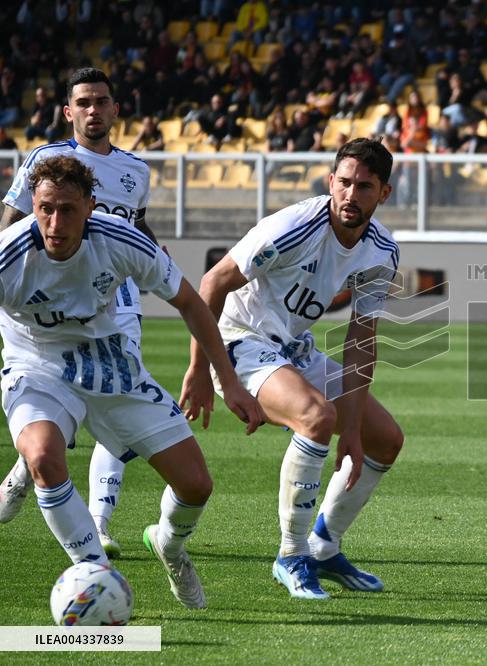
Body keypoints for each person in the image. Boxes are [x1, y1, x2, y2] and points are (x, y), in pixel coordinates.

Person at [0, 155, 263, 610]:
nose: (54, 221)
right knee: (43, 454)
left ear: (91, 206)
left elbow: (191, 302)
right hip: (37, 363)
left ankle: (171, 546)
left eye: (67, 208)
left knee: (196, 485)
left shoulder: (121, 239)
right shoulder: (9, 255)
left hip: (112, 368)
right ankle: (96, 577)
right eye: (44, 208)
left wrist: (224, 378)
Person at [181, 138, 404, 600]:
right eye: (343, 183)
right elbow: (213, 282)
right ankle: (291, 554)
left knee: (386, 438)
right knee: (317, 417)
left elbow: (362, 339)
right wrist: (203, 371)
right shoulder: (294, 226)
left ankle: (324, 545)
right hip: (237, 338)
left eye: (364, 187)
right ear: (330, 182)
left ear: (382, 194)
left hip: (291, 346)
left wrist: (356, 428)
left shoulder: (381, 251)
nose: (350, 195)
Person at [0, 68, 162, 560]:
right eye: (84, 102)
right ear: (68, 111)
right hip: (49, 297)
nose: (94, 110)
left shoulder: (137, 172)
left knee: (111, 392)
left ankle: (99, 521)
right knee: (61, 389)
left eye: (102, 102)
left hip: (119, 301)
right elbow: (12, 220)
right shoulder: (47, 158)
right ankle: (31, 465)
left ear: (116, 109)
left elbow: (136, 228)